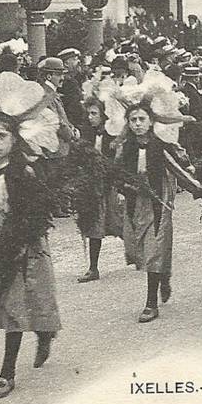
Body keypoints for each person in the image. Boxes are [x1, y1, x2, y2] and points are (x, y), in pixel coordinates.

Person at [0, 70, 63, 400]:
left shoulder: (27, 170)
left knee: (31, 298)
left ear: (14, 138)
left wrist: (30, 227)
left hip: (28, 244)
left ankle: (9, 369)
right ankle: (34, 340)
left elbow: (42, 205)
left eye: (2, 136)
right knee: (8, 303)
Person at [104, 71, 202, 323]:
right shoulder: (126, 148)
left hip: (158, 205)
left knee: (154, 252)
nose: (138, 124)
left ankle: (151, 303)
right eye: (133, 120)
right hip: (134, 206)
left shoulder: (159, 147)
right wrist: (120, 188)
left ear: (151, 122)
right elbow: (115, 173)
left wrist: (201, 192)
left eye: (142, 119)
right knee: (137, 251)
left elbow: (179, 171)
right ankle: (164, 275)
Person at [73, 95, 124, 283]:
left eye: (94, 113)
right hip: (93, 186)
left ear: (104, 115)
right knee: (95, 225)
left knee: (120, 221)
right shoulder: (87, 134)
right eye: (88, 113)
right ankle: (93, 268)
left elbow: (119, 162)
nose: (90, 117)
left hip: (110, 184)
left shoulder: (114, 135)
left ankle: (139, 251)